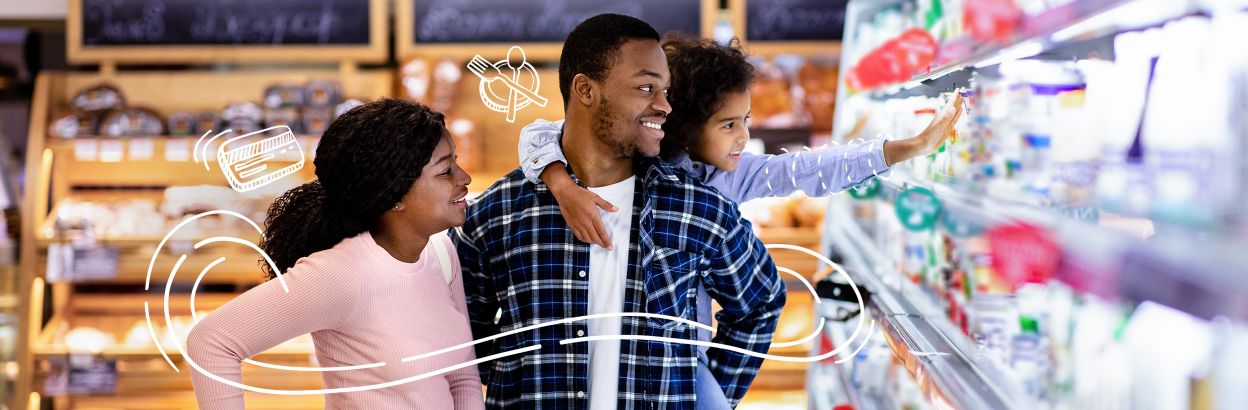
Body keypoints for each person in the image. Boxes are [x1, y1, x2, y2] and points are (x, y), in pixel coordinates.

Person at [517, 36, 964, 409]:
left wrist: (906, 147)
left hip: (679, 365)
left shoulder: (728, 179)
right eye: (729, 124)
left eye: (745, 121)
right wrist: (561, 184)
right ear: (685, 127)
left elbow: (809, 170)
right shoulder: (627, 161)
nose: (744, 136)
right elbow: (538, 132)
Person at [452, 14, 786, 409]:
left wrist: (702, 397)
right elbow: (463, 340)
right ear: (585, 90)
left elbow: (759, 305)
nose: (663, 106)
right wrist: (521, 381)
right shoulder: (497, 215)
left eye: (666, 91)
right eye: (646, 87)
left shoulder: (697, 210)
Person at [186, 99, 482, 409]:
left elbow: (462, 378)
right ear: (395, 194)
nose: (464, 178)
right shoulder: (341, 274)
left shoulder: (441, 252)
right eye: (446, 171)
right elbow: (211, 342)